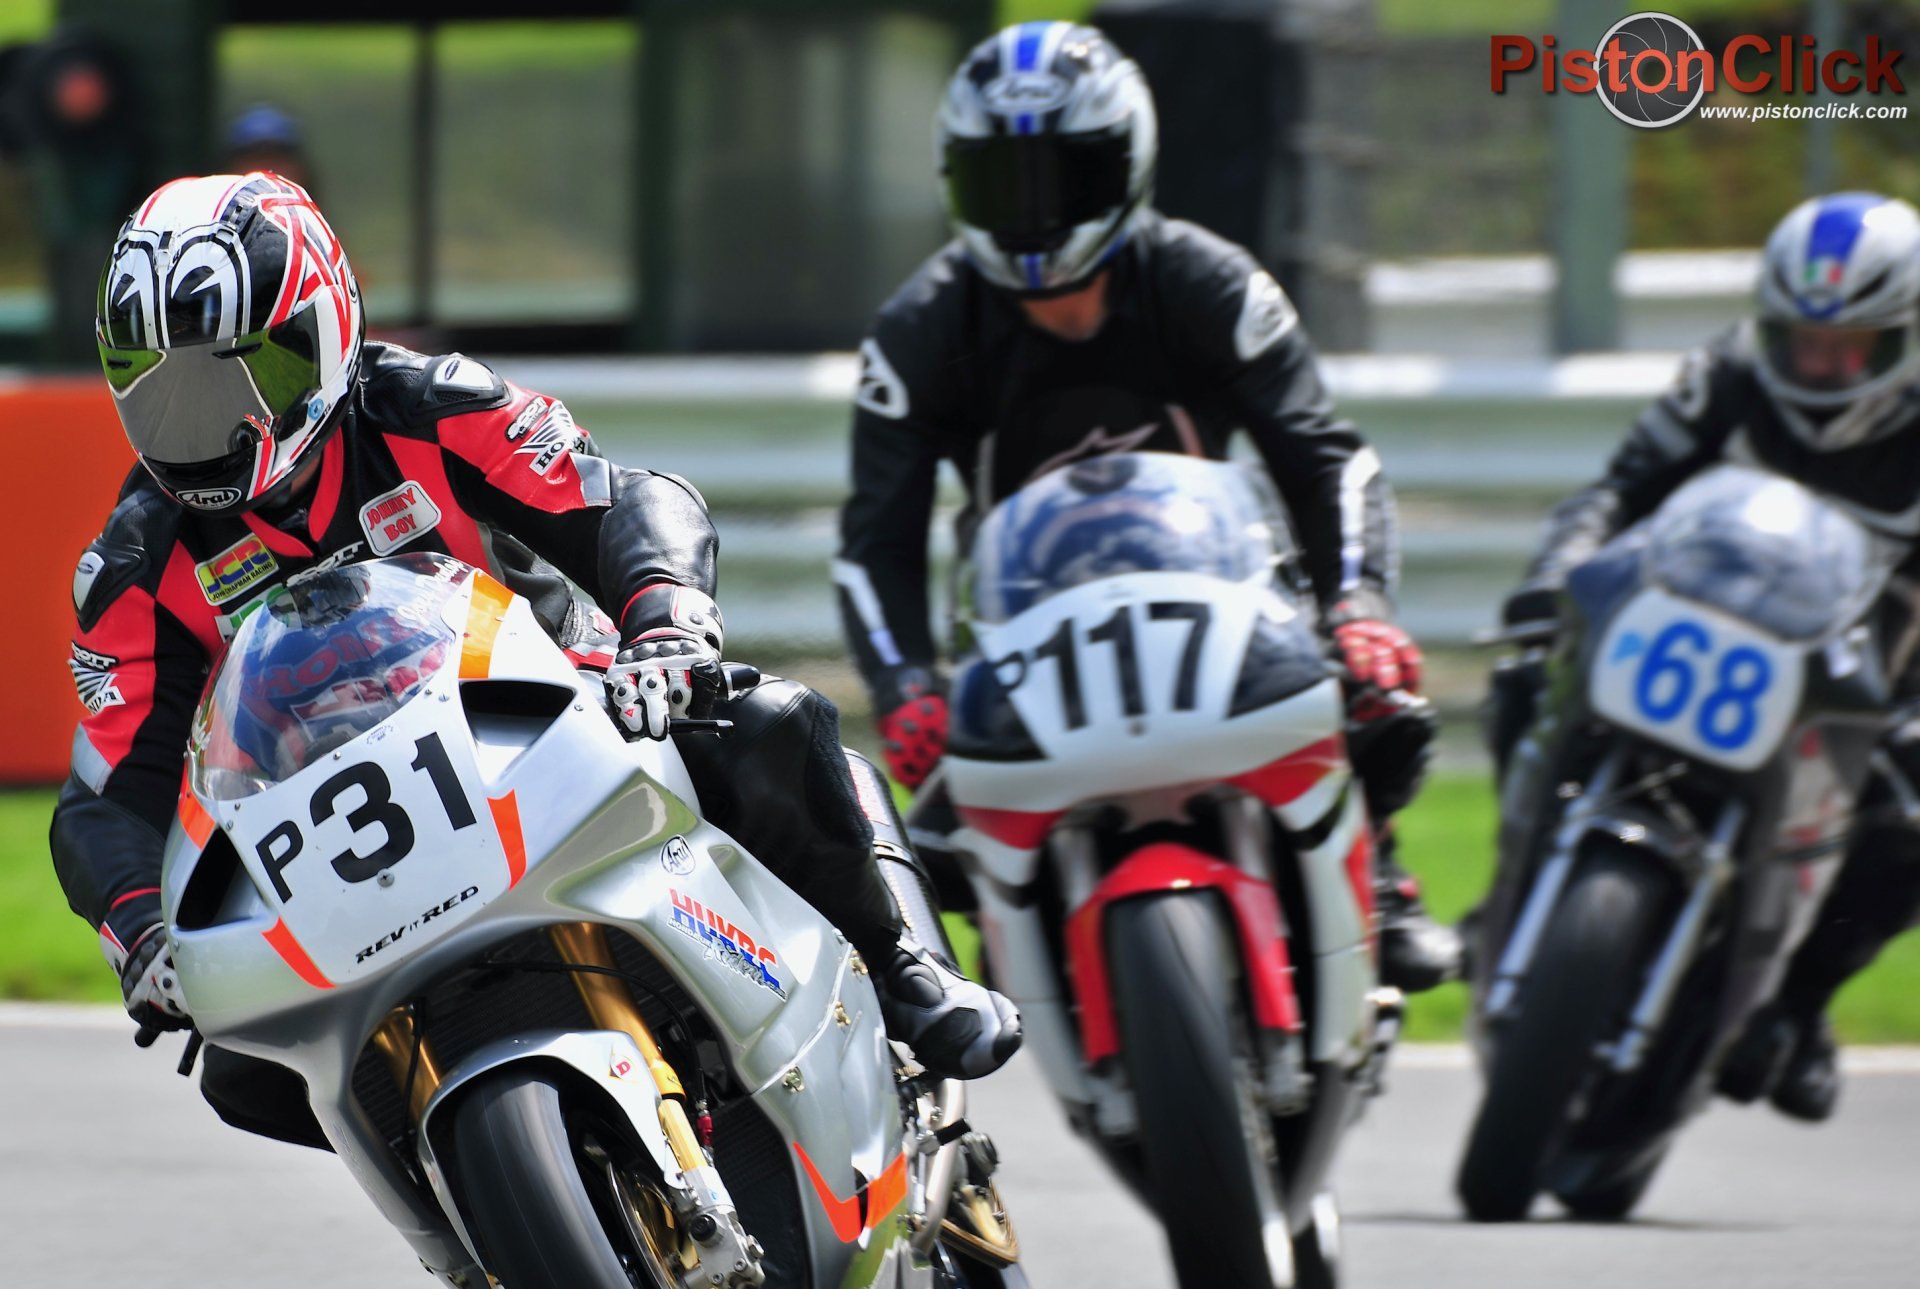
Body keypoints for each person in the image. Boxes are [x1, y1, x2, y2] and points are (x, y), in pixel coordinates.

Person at [53, 173, 1019, 1146]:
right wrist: (142, 932)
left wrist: (665, 630)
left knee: (768, 726)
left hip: (566, 714)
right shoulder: (137, 565)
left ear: (325, 327)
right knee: (244, 1066)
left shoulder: (431, 407)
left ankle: (907, 975)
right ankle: (468, 1206)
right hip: (338, 830)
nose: (210, 423)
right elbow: (105, 796)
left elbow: (626, 502)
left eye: (238, 376)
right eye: (168, 391)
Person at [833, 20, 1459, 992]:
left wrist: (1359, 607)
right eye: (1007, 184)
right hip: (1024, 625)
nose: (1035, 216)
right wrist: (907, 686)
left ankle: (1378, 873)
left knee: (1370, 689)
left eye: (1065, 179)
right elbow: (876, 543)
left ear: (1128, 166)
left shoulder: (1212, 280)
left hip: (1227, 592)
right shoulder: (917, 331)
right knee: (920, 856)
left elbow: (1325, 459)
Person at [1493, 190, 1920, 1121]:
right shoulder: (1728, 373)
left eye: (1855, 346)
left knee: (1908, 821)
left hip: (1866, 679)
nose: (1823, 364)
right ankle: (1510, 879)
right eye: (1803, 340)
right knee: (1526, 669)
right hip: (1702, 624)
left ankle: (1800, 1005)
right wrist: (1554, 575)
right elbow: (1618, 492)